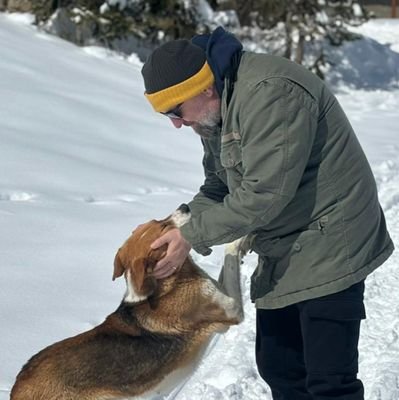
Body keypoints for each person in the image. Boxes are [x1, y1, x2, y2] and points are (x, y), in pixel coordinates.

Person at [140, 27, 394, 399]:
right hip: (287, 243)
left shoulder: (271, 94)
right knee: (280, 366)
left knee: (328, 381)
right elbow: (219, 187)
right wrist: (179, 224)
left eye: (175, 111)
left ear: (203, 88)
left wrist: (192, 236)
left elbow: (264, 195)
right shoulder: (215, 112)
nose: (177, 123)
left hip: (334, 239)